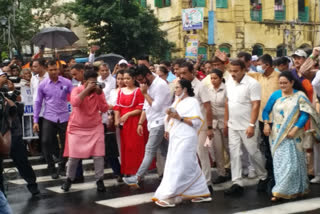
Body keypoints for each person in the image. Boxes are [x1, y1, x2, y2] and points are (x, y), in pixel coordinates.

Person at [152, 79, 211, 207]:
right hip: (176, 136)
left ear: (184, 89)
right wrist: (167, 128)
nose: (175, 90)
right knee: (189, 164)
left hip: (187, 137)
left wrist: (179, 118)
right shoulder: (177, 101)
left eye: (178, 87)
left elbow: (196, 122)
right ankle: (200, 192)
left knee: (178, 164)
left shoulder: (192, 102)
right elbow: (170, 117)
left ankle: (170, 196)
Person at [262, 71, 320, 201]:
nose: (282, 85)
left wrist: (295, 128)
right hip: (277, 135)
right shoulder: (275, 95)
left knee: (293, 163)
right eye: (280, 83)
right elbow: (266, 111)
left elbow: (305, 114)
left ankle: (281, 191)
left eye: (285, 83)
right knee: (280, 163)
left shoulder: (299, 95)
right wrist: (266, 124)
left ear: (292, 83)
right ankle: (284, 189)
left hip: (294, 133)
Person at [123, 65, 171, 186]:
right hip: (153, 122)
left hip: (159, 122)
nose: (140, 83)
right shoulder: (148, 84)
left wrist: (144, 93)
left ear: (148, 75)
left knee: (149, 150)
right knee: (167, 152)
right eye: (138, 81)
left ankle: (138, 177)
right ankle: (177, 175)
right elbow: (146, 105)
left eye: (141, 80)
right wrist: (140, 122)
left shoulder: (160, 85)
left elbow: (156, 106)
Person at [224, 60, 268, 195]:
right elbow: (227, 102)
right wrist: (226, 122)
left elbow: (256, 104)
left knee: (253, 152)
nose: (233, 74)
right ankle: (237, 183)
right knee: (235, 153)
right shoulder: (229, 81)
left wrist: (251, 124)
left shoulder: (252, 84)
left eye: (236, 71)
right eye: (231, 70)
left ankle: (263, 176)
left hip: (247, 125)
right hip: (232, 125)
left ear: (244, 70)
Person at [61, 69, 109, 192]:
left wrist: (98, 94)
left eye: (95, 82)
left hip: (95, 126)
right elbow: (75, 103)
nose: (94, 84)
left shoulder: (98, 92)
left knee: (98, 156)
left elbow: (104, 108)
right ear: (85, 81)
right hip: (77, 127)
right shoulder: (76, 90)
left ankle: (99, 180)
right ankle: (69, 179)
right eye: (91, 82)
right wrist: (86, 90)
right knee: (74, 157)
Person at [33, 60, 73, 179]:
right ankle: (51, 167)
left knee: (66, 143)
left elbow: (75, 97)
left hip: (64, 116)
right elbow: (38, 102)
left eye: (55, 69)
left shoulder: (67, 82)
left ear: (58, 69)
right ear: (47, 70)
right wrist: (35, 120)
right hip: (49, 116)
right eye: (51, 70)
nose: (54, 72)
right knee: (45, 141)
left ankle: (61, 166)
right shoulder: (43, 84)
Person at [247, 54, 280, 192]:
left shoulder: (279, 77)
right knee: (266, 147)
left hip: (277, 119)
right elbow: (244, 72)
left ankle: (277, 176)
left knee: (276, 148)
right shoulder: (258, 77)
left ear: (268, 64)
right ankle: (269, 175)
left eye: (260, 64)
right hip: (262, 118)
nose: (258, 66)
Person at [179, 62, 214, 192]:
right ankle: (193, 180)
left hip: (201, 126)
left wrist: (209, 127)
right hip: (186, 126)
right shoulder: (181, 87)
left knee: (202, 153)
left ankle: (207, 182)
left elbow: (208, 107)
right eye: (180, 73)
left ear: (192, 72)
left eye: (184, 73)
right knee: (189, 153)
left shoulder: (200, 86)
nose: (181, 75)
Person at [113, 69, 147, 175]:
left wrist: (128, 114)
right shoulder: (121, 91)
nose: (125, 81)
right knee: (126, 147)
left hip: (134, 122)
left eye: (128, 78)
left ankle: (138, 171)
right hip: (124, 124)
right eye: (124, 78)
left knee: (135, 147)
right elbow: (117, 106)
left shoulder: (138, 91)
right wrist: (116, 119)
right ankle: (128, 170)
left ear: (133, 79)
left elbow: (141, 107)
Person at [206, 69, 230, 184]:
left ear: (221, 78)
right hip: (214, 123)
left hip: (227, 122)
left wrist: (227, 123)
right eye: (211, 78)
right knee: (217, 149)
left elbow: (229, 106)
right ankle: (222, 173)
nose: (213, 80)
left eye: (215, 78)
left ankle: (235, 171)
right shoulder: (208, 90)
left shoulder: (227, 89)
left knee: (229, 148)